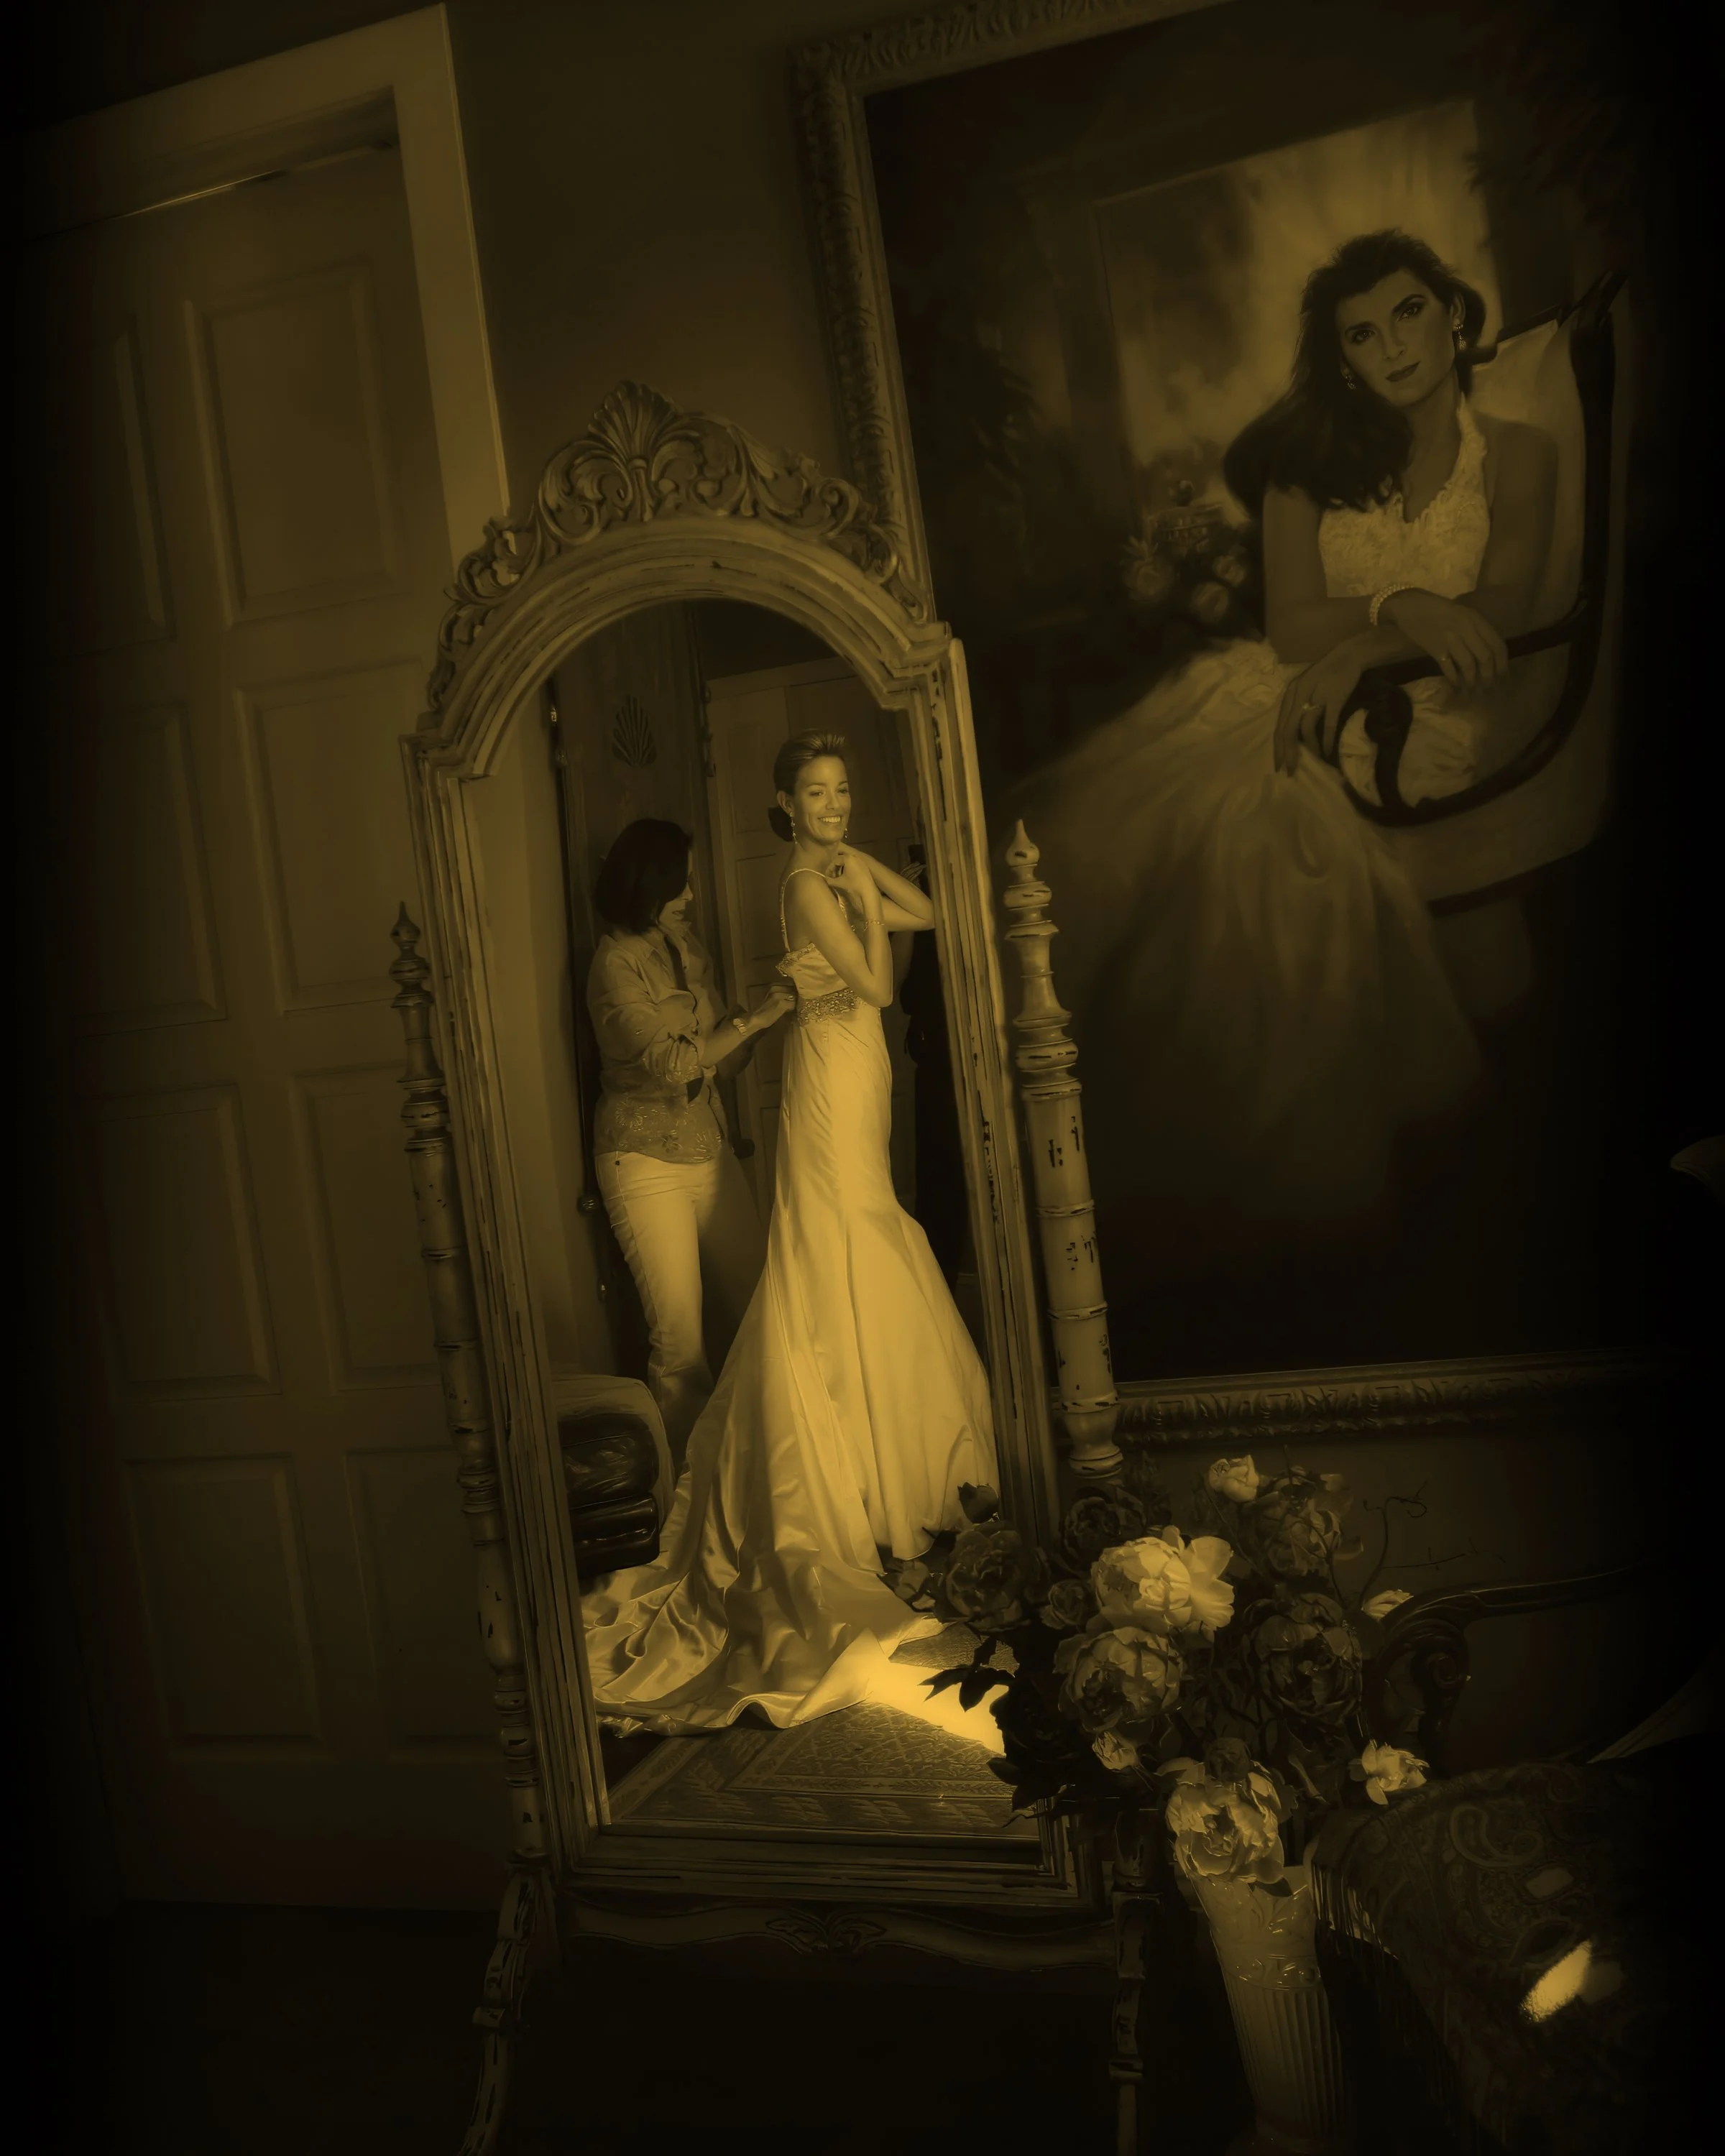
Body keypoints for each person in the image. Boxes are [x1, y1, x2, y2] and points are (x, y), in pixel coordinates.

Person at [1001, 229, 1558, 1251]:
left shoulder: (1521, 453)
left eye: (1409, 312)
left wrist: (1370, 652)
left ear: (1452, 310)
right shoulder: (1308, 466)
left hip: (1432, 706)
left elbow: (1507, 607)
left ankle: (1297, 1216)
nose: (1393, 346)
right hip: (1278, 685)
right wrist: (1402, 609)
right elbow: (1297, 626)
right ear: (1341, 358)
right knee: (1091, 838)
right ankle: (1098, 1196)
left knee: (1259, 848)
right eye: (1362, 334)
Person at [581, 734, 998, 1736]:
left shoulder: (822, 876)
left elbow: (928, 915)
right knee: (813, 1256)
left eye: (843, 790)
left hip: (846, 1068)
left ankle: (876, 1465)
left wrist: (864, 867)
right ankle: (789, 1490)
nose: (835, 805)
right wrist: (848, 897)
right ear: (783, 804)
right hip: (737, 1110)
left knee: (843, 1246)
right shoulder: (797, 890)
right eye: (816, 793)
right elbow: (889, 984)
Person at [587, 819, 794, 1465]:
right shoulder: (613, 965)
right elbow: (674, 1064)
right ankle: (688, 1494)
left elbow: (720, 1062)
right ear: (649, 882)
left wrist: (775, 1013)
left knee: (767, 1302)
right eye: (682, 882)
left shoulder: (685, 949)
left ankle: (761, 1465)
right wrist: (758, 1016)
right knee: (680, 1346)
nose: (692, 896)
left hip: (709, 1149)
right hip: (643, 1162)